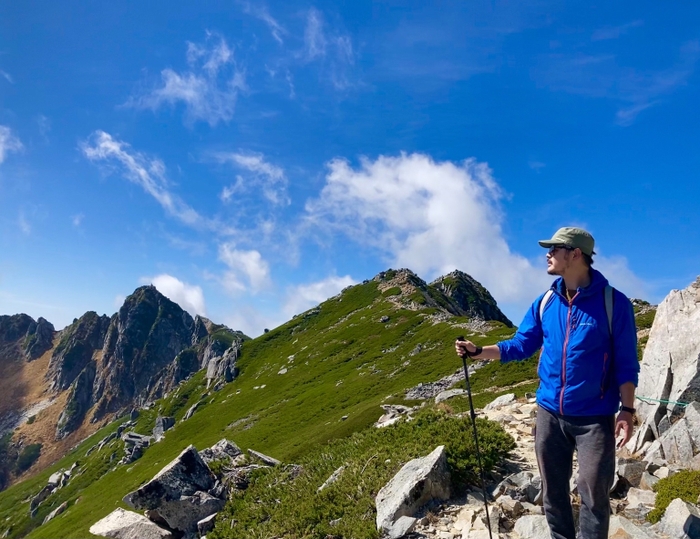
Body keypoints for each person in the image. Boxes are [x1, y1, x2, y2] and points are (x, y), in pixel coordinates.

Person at [455, 227, 639, 539]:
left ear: (575, 254)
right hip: (549, 413)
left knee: (594, 493)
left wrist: (627, 409)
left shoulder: (614, 303)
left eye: (554, 249)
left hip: (594, 418)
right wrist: (478, 352)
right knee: (553, 492)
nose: (547, 254)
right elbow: (521, 344)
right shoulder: (545, 302)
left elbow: (626, 362)